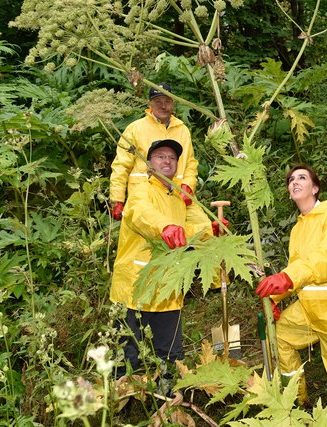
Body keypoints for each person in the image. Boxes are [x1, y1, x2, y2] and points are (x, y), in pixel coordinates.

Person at [255, 165, 327, 424]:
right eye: (290, 179)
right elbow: (298, 270)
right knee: (281, 336)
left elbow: (325, 259)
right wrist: (275, 299)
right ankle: (298, 401)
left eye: (302, 177)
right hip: (311, 308)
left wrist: (286, 279)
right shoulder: (298, 229)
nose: (294, 182)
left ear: (315, 188)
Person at [110, 139, 215, 377]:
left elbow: (191, 230)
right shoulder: (141, 193)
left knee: (169, 358)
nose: (167, 161)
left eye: (172, 158)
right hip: (136, 288)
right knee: (128, 359)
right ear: (149, 164)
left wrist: (212, 230)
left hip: (168, 290)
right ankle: (125, 407)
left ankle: (168, 405)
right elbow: (141, 215)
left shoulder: (179, 197)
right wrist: (164, 227)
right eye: (160, 156)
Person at [109, 83, 199, 221]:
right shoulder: (135, 129)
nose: (163, 106)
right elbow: (121, 166)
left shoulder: (182, 130)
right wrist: (117, 199)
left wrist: (188, 186)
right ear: (149, 103)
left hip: (177, 196)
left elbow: (190, 163)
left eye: (167, 101)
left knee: (183, 236)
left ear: (173, 103)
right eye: (158, 102)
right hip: (144, 199)